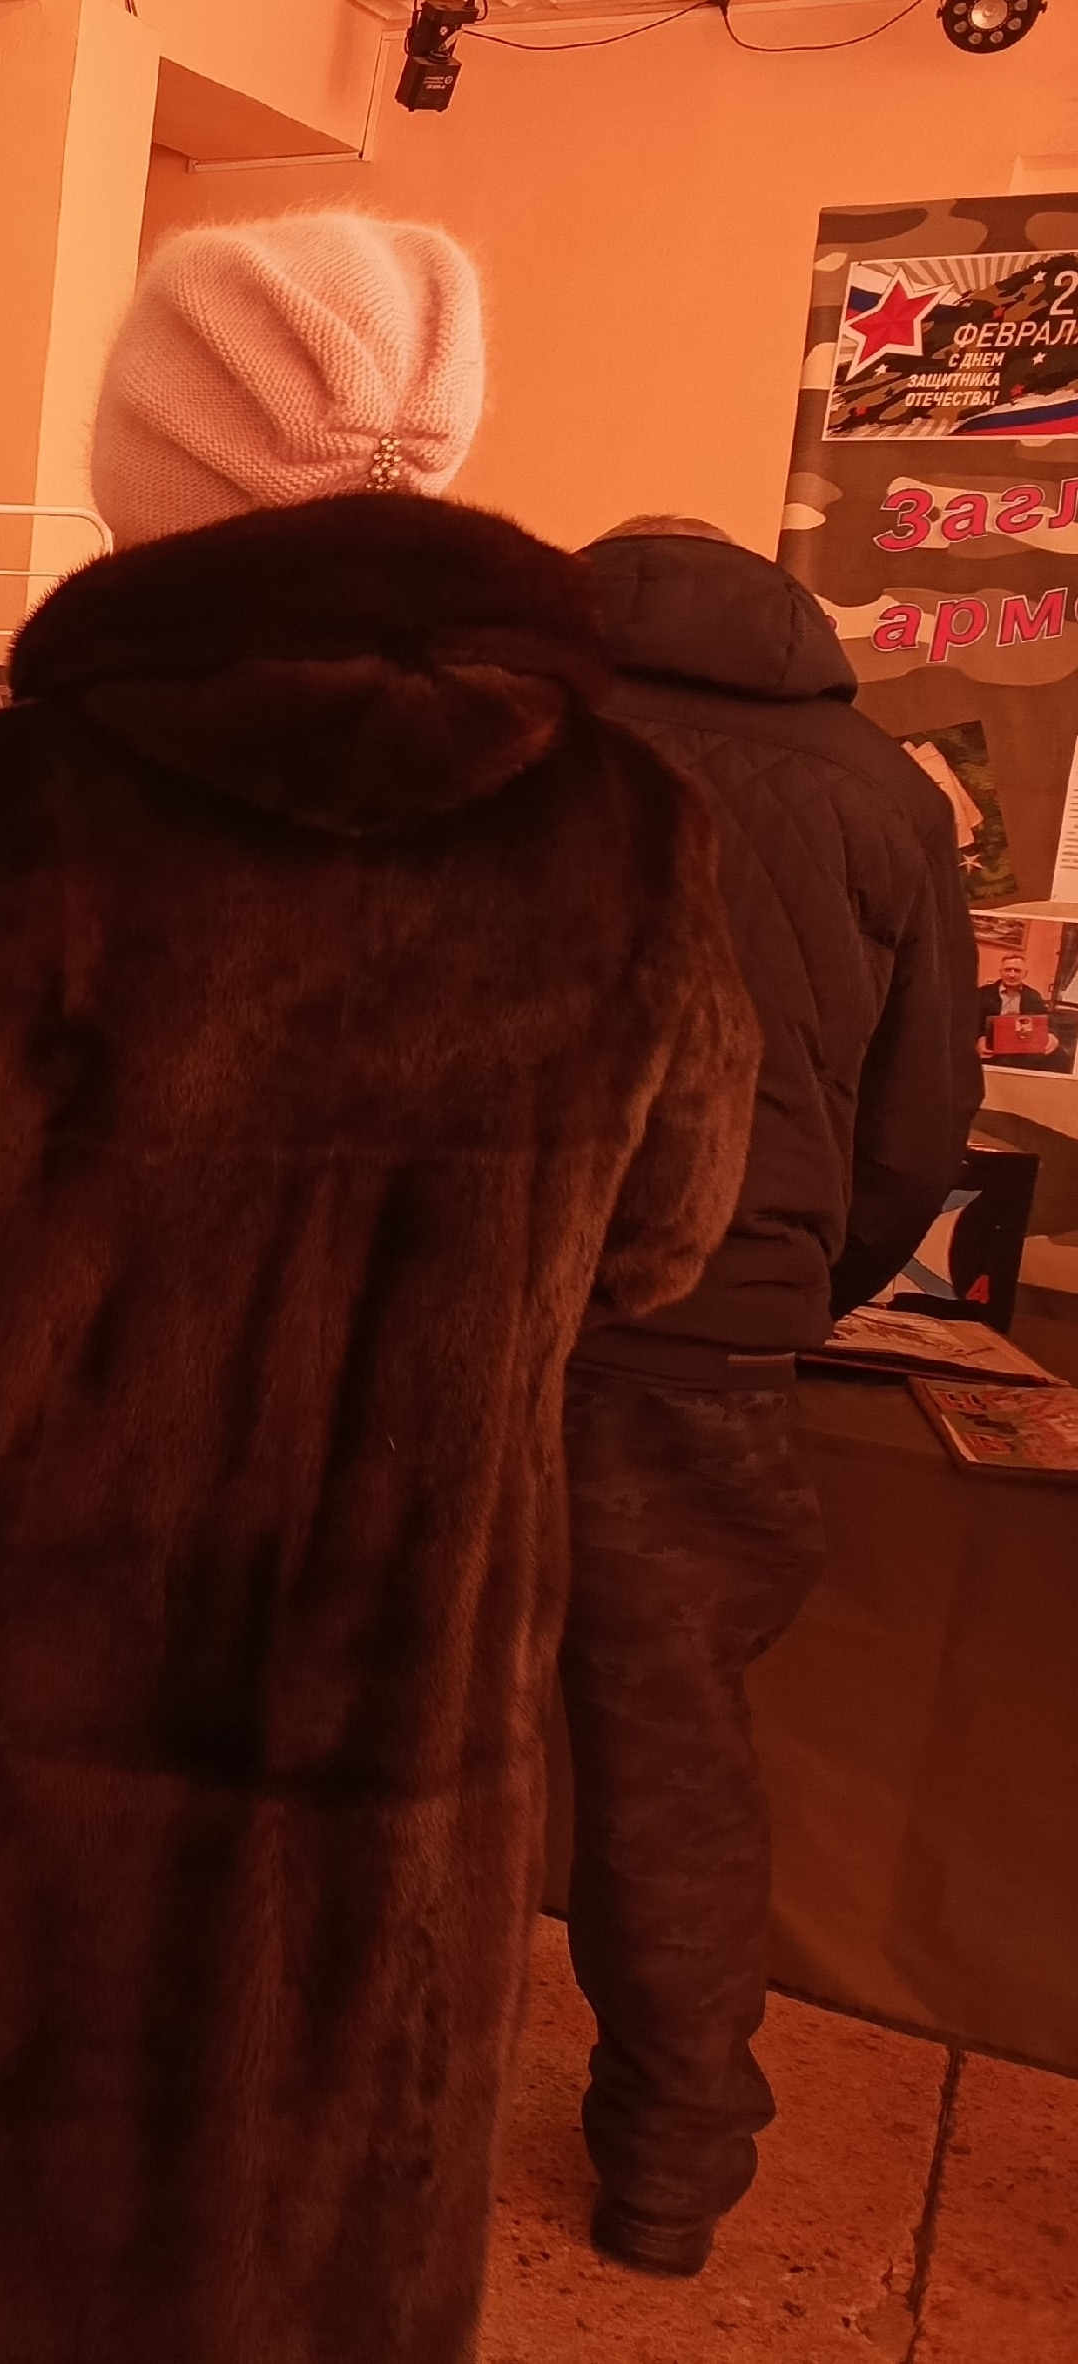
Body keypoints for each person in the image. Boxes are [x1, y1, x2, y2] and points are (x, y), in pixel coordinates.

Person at [0, 215, 761, 2364]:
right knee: (315, 2230)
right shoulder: (631, 833)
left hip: (1, 1713)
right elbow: (660, 1241)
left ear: (153, 469)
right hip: (394, 1712)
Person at [559, 515, 979, 2275]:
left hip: (469, 1318)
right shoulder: (884, 792)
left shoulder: (510, 738)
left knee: (399, 1721)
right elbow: (918, 1128)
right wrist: (793, 1287)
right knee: (671, 1759)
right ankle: (672, 2160)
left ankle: (342, 2109)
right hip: (709, 1340)